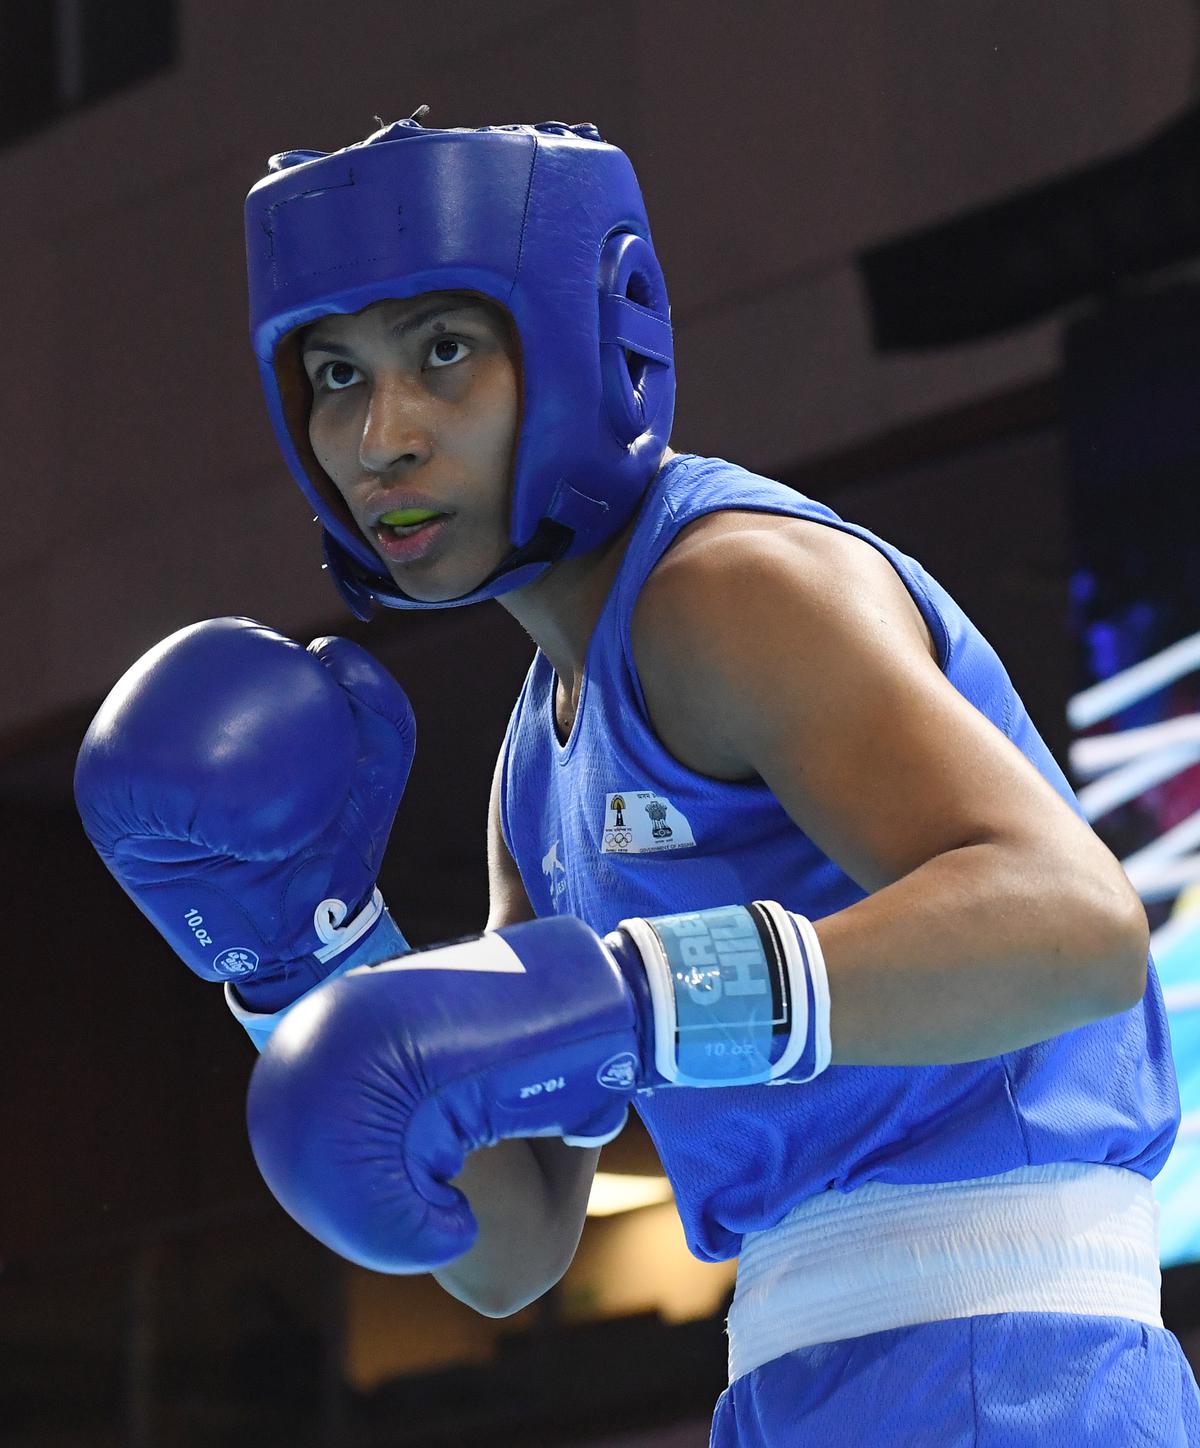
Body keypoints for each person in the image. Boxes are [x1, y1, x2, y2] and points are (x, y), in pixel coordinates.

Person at [75, 112, 1200, 1445]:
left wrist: (634, 996)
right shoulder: (537, 761)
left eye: (445, 353)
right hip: (792, 1370)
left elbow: (1073, 930)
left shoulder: (729, 591)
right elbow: (511, 1244)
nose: (380, 437)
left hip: (1007, 1359)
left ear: (580, 343)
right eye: (334, 374)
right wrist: (304, 963)